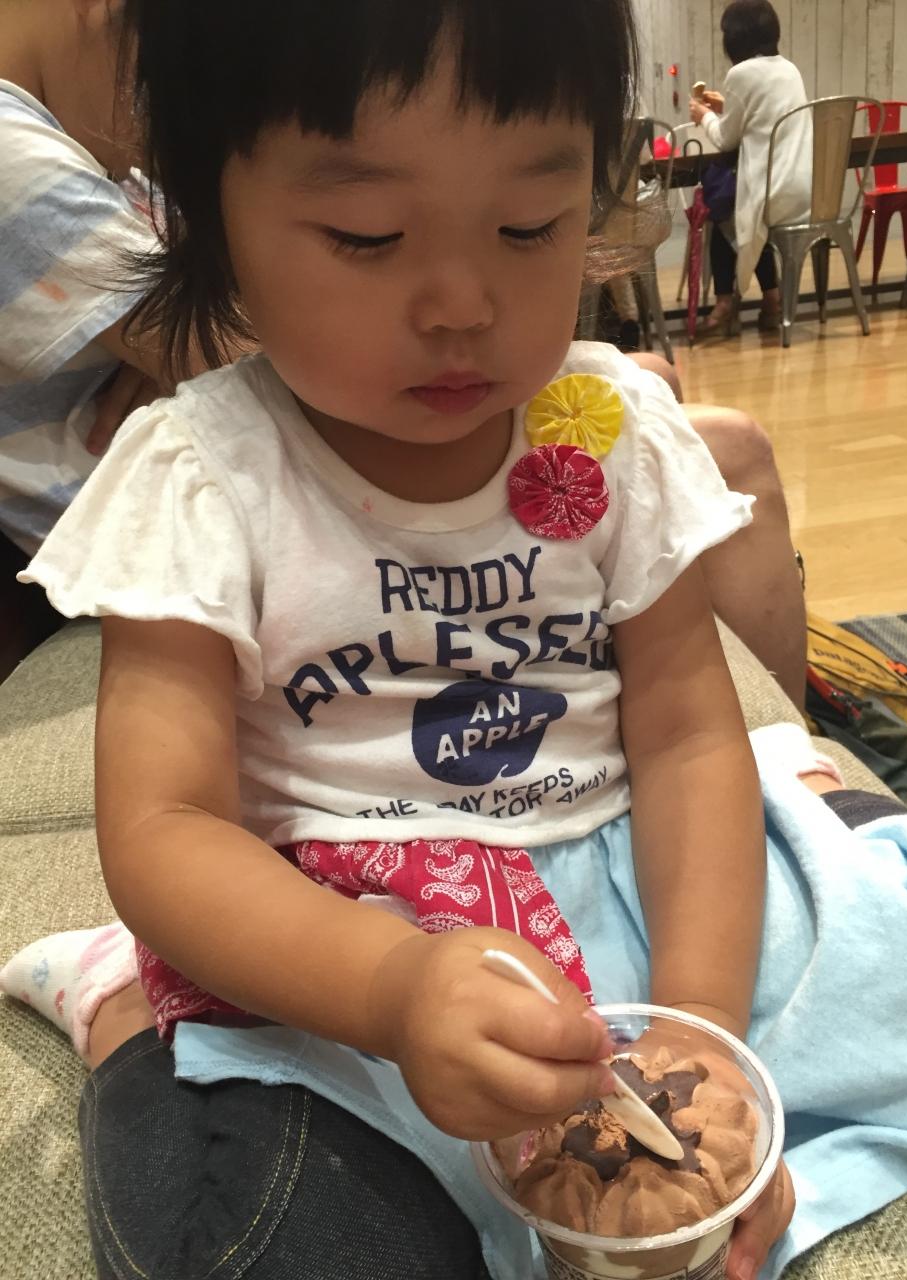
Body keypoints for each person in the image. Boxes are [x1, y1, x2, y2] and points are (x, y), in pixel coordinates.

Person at [2, 1, 807, 1276]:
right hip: (331, 953)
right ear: (208, 219)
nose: (462, 303)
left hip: (631, 890)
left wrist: (703, 1026)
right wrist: (388, 987)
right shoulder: (201, 475)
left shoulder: (611, 432)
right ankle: (120, 1008)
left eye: (530, 225)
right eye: (368, 236)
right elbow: (163, 826)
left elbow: (690, 737)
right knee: (264, 1238)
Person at [689, 0, 812, 336]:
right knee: (739, 208)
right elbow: (762, 116)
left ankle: (725, 303)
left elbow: (725, 138)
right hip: (803, 191)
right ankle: (771, 300)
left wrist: (704, 115)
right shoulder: (789, 69)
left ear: (734, 38)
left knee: (722, 208)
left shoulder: (740, 74)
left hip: (772, 194)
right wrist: (725, 107)